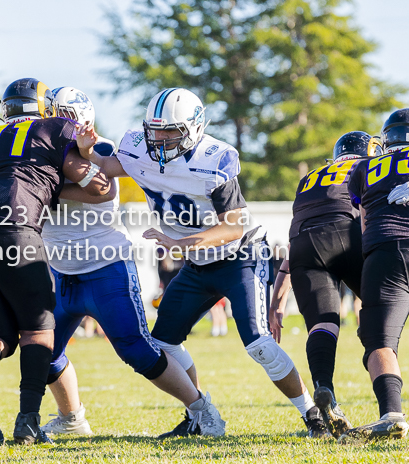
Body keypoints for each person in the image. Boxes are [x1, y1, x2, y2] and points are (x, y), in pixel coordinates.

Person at [79, 88, 318, 437]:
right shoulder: (139, 147)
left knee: (258, 344)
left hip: (240, 256)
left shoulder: (213, 157)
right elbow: (109, 165)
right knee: (162, 343)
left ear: (194, 127)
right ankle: (199, 412)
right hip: (197, 263)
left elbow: (233, 226)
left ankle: (312, 414)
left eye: (169, 132)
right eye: (154, 132)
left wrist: (180, 242)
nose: (158, 141)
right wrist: (88, 149)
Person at [0, 78, 113, 445]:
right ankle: (28, 421)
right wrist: (80, 161)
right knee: (38, 330)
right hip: (16, 233)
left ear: (6, 109)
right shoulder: (55, 128)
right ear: (43, 108)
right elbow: (98, 187)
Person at [37, 87, 223, 438]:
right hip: (62, 271)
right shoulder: (41, 155)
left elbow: (101, 187)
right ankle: (72, 418)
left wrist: (43, 188)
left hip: (105, 267)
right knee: (41, 351)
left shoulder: (100, 150)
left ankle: (201, 408)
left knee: (136, 350)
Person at [270, 131, 381, 438]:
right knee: (383, 312)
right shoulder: (370, 168)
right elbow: (369, 216)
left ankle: (324, 388)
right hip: (349, 232)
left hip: (305, 246)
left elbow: (292, 247)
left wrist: (276, 300)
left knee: (323, 324)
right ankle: (377, 356)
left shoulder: (309, 179)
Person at [343, 109, 409, 441]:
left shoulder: (365, 168)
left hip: (388, 251)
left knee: (379, 341)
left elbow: (364, 220)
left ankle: (392, 413)